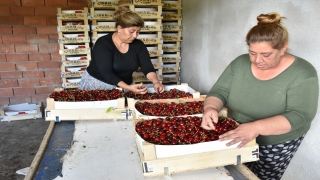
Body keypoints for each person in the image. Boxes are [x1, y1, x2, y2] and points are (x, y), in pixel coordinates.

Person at [201, 12, 319, 180]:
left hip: (277, 141)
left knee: (262, 177)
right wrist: (211, 108)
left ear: (283, 48)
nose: (257, 60)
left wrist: (256, 128)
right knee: (236, 172)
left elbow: (301, 115)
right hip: (239, 131)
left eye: (266, 54)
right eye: (252, 53)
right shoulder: (239, 64)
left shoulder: (303, 73)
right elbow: (219, 92)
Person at [79, 6, 164, 94]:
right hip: (99, 84)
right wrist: (128, 87)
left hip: (126, 85)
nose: (135, 35)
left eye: (138, 32)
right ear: (119, 28)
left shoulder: (138, 45)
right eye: (132, 31)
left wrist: (156, 82)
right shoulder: (103, 44)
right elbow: (106, 72)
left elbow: (147, 67)